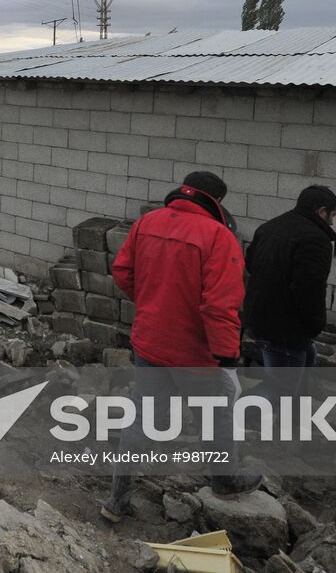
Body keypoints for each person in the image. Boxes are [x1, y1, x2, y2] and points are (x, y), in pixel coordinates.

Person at [101, 171, 258, 522]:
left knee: (141, 420)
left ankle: (116, 501)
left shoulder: (147, 223)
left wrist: (154, 302)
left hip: (151, 342)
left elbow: (123, 271)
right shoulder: (219, 237)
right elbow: (221, 305)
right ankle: (225, 481)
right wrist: (228, 356)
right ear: (216, 202)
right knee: (216, 417)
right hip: (196, 353)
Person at [242, 184, 336, 398]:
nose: (332, 222)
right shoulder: (316, 240)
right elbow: (309, 290)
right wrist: (315, 325)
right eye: (332, 215)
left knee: (307, 356)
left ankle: (297, 407)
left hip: (259, 317)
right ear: (321, 211)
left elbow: (250, 265)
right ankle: (238, 413)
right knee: (279, 387)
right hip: (284, 328)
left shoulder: (269, 227)